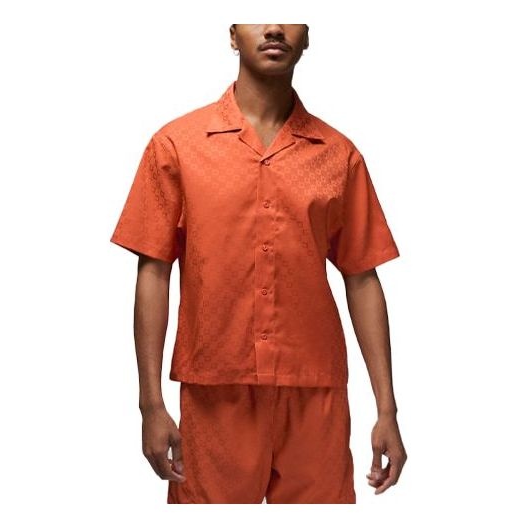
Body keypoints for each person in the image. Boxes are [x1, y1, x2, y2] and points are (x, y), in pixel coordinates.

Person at [110, 23, 407, 504]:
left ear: (307, 37)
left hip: (314, 389)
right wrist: (150, 404)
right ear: (232, 35)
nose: (273, 27)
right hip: (214, 390)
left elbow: (362, 276)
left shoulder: (339, 155)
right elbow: (154, 272)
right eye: (257, 15)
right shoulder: (177, 145)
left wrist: (387, 410)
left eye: (289, 17)